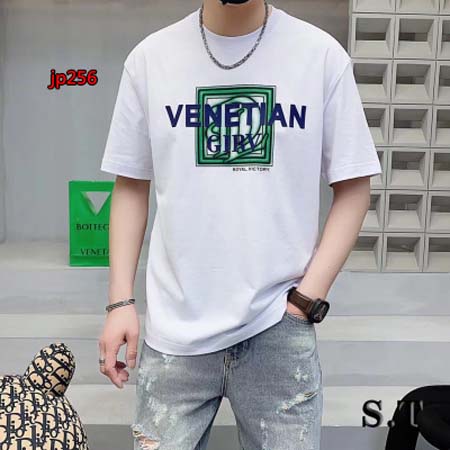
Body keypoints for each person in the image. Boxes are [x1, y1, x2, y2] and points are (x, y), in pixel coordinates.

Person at [98, 0, 382, 448]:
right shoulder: (150, 59)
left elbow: (354, 187)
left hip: (278, 327)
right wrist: (120, 302)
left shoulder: (321, 56)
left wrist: (305, 301)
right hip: (175, 333)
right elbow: (131, 184)